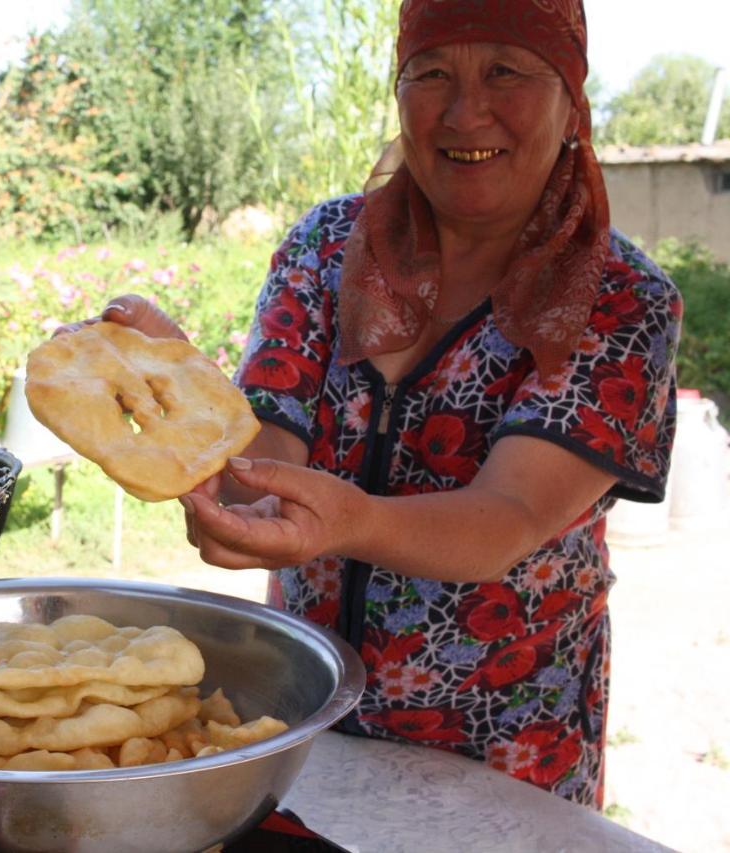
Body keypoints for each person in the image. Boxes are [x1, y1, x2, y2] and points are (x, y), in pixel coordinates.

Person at [64, 0, 681, 809]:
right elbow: (263, 459)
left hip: (502, 752)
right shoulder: (326, 249)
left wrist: (353, 520)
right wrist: (184, 396)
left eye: (505, 70)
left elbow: (509, 515)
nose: (466, 111)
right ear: (399, 94)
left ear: (572, 100)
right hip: (298, 724)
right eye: (432, 74)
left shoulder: (620, 299)